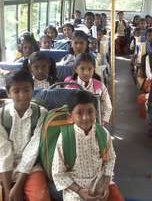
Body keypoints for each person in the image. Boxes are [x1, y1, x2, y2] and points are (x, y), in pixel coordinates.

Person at [51, 90, 123, 201]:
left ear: (96, 112)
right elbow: (58, 173)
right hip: (75, 188)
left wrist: (105, 183)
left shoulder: (103, 134)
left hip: (100, 180)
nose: (85, 117)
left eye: (90, 112)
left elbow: (110, 159)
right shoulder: (65, 138)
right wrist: (79, 190)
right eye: (79, 113)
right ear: (71, 116)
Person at [0, 70, 51, 201]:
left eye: (26, 90)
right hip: (4, 167)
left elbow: (33, 151)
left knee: (40, 197)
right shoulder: (1, 115)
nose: (22, 96)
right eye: (16, 91)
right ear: (8, 92)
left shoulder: (41, 113)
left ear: (33, 89)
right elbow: (3, 153)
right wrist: (7, 192)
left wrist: (18, 186)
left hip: (32, 166)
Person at [64, 53, 112, 125]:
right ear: (76, 69)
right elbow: (65, 108)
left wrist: (103, 121)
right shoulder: (69, 87)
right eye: (82, 69)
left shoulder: (100, 87)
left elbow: (107, 105)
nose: (86, 72)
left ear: (94, 69)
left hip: (95, 123)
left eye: (90, 69)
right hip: (75, 124)